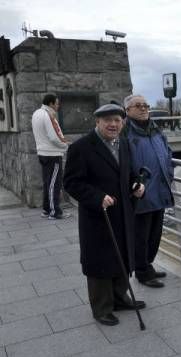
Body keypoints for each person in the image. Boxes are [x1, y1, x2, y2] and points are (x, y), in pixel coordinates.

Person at [64, 104, 146, 326]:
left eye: (118, 120)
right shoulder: (81, 148)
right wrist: (97, 197)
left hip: (123, 212)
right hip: (98, 215)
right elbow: (71, 183)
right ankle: (101, 308)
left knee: (121, 255)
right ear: (97, 122)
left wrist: (136, 185)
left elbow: (128, 174)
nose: (113, 124)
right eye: (108, 120)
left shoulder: (124, 144)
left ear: (123, 123)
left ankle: (120, 298)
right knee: (100, 260)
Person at [123, 94, 174, 288]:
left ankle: (148, 265)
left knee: (155, 234)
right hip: (141, 193)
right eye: (138, 106)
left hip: (159, 190)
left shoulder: (156, 130)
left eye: (145, 105)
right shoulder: (125, 132)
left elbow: (168, 153)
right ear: (128, 110)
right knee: (141, 236)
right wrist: (133, 184)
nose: (144, 108)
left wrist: (168, 173)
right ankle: (142, 272)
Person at [31, 93, 70, 219]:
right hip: (52, 154)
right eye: (57, 103)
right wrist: (65, 146)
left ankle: (46, 210)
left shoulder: (36, 113)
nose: (58, 106)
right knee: (54, 184)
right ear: (51, 103)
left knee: (47, 183)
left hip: (42, 153)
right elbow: (53, 137)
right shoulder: (48, 115)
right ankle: (55, 212)